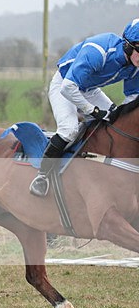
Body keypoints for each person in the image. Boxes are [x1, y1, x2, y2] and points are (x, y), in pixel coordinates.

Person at [29, 18, 139, 197]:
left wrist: (121, 117)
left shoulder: (135, 66)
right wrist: (93, 111)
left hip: (89, 90)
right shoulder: (99, 51)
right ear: (127, 45)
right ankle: (42, 176)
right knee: (69, 130)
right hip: (64, 84)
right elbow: (68, 88)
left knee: (115, 124)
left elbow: (133, 98)